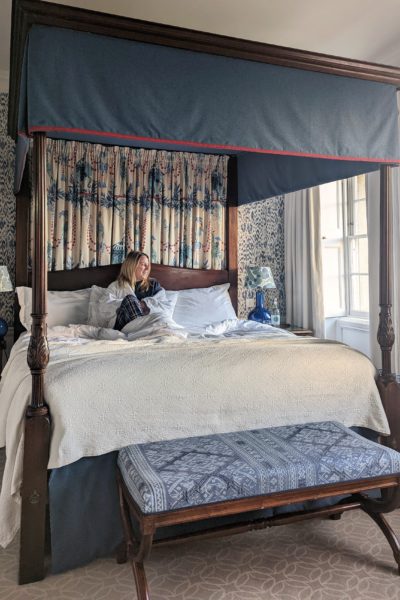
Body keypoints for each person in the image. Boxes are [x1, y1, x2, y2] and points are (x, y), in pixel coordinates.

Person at [109, 251, 163, 330]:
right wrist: (131, 305)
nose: (147, 269)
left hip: (149, 326)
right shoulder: (115, 286)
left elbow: (164, 308)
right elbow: (105, 310)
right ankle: (139, 332)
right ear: (131, 266)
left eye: (148, 265)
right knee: (129, 299)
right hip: (124, 327)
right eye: (143, 265)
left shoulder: (153, 285)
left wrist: (145, 304)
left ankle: (140, 333)